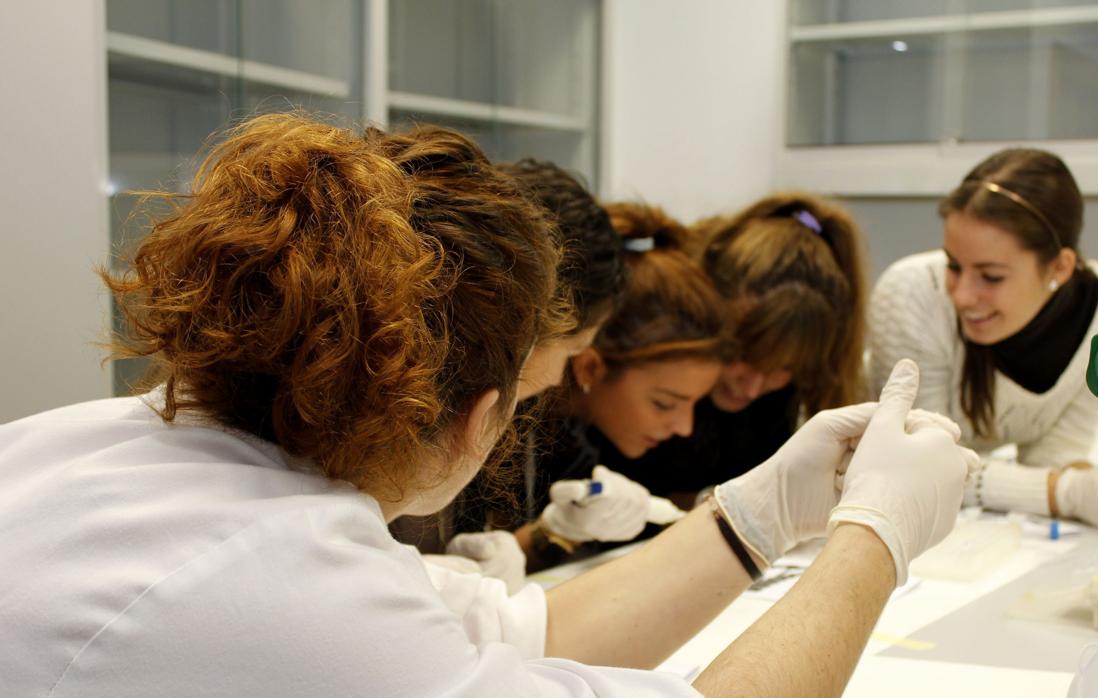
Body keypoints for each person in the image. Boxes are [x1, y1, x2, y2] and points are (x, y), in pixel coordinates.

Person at [0, 112, 977, 697]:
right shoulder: (280, 580)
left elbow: (522, 634)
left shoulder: (106, 445)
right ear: (481, 413)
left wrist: (759, 513)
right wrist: (874, 535)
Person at [868, 147, 1098, 532]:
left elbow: (1053, 456)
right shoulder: (911, 295)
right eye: (953, 266)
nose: (961, 296)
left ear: (1060, 267)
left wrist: (1097, 482)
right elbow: (922, 471)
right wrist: (1067, 492)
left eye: (991, 276)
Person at [386, 157, 626, 589]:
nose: (559, 380)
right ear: (531, 319)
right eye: (571, 350)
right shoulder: (414, 417)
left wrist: (548, 536)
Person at [599, 192, 870, 509]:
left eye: (781, 370)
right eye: (743, 356)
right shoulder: (646, 366)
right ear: (707, 313)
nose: (752, 387)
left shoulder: (777, 400)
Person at [507, 202, 737, 570]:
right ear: (591, 367)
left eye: (695, 404)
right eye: (664, 403)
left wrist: (559, 530)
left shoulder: (578, 437)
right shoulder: (500, 416)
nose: (684, 427)